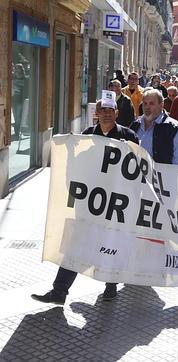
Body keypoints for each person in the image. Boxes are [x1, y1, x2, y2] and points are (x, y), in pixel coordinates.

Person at [31, 96, 139, 305]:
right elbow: (76, 165)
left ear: (116, 113)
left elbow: (138, 169)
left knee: (111, 244)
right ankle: (59, 292)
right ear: (96, 113)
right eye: (103, 110)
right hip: (89, 201)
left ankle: (111, 285)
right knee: (76, 244)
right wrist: (70, 149)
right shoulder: (88, 136)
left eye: (111, 110)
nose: (107, 113)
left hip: (116, 203)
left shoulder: (129, 136)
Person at [130, 89, 178, 165]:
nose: (147, 107)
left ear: (161, 105)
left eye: (151, 103)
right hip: (136, 174)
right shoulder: (135, 125)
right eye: (145, 103)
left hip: (162, 175)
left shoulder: (173, 127)